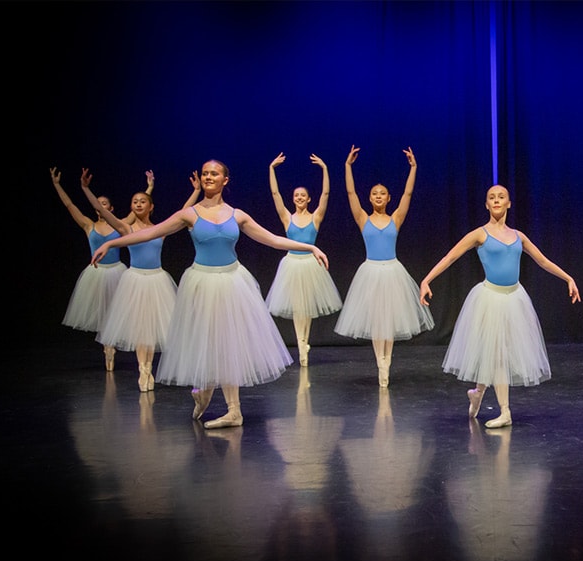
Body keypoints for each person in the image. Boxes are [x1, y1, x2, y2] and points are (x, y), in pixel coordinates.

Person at [90, 159, 330, 429]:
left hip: (231, 281)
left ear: (225, 180)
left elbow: (273, 239)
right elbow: (149, 234)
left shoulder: (237, 215)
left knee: (228, 341)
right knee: (205, 338)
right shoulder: (190, 214)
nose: (208, 177)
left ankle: (233, 411)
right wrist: (111, 243)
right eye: (205, 173)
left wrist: (311, 248)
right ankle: (203, 389)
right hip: (202, 282)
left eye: (214, 173)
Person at [419, 184, 581, 428]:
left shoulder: (518, 236)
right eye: (492, 197)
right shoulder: (480, 234)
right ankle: (505, 411)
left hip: (514, 298)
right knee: (497, 354)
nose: (496, 200)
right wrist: (426, 280)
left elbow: (543, 261)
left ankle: (478, 393)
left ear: (509, 203)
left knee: (497, 353)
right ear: (486, 205)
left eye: (501, 196)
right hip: (490, 299)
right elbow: (450, 256)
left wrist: (568, 278)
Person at [81, 167, 202, 391]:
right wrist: (85, 188)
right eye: (134, 201)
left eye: (142, 201)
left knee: (150, 329)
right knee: (139, 327)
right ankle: (143, 369)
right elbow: (101, 209)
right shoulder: (125, 228)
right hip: (135, 280)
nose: (138, 204)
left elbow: (183, 212)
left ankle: (148, 366)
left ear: (151, 206)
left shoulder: (160, 229)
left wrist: (196, 191)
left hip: (156, 280)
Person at [333, 145, 434, 387]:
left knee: (388, 320)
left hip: (392, 271)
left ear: (388, 198)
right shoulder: (363, 219)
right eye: (374, 193)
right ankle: (380, 362)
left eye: (383, 194)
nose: (378, 196)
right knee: (378, 321)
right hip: (370, 271)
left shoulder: (395, 219)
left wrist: (413, 168)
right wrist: (347, 166)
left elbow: (408, 194)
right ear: (370, 198)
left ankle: (387, 360)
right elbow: (350, 193)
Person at [51, 166, 139, 371]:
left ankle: (110, 346)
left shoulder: (120, 225)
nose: (100, 207)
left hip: (116, 271)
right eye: (98, 204)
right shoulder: (88, 225)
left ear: (111, 208)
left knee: (114, 312)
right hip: (96, 274)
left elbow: (137, 211)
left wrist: (149, 187)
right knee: (102, 313)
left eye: (104, 204)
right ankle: (108, 347)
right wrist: (57, 185)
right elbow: (69, 205)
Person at [264, 152, 344, 366]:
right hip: (292, 264)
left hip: (310, 264)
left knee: (306, 308)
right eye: (296, 195)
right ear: (293, 199)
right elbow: (275, 194)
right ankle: (301, 346)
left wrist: (325, 169)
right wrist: (271, 169)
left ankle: (304, 342)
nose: (299, 198)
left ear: (308, 199)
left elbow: (325, 194)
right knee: (298, 308)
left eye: (303, 195)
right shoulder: (287, 218)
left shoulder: (315, 217)